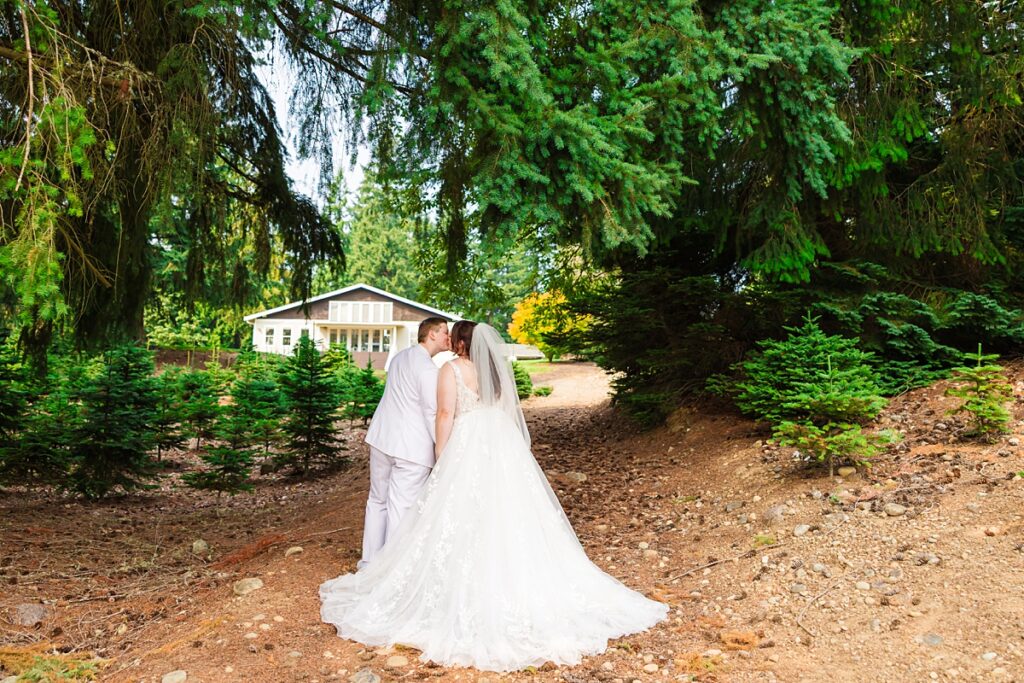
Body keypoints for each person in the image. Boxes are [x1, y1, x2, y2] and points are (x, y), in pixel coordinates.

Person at [320, 320, 666, 672]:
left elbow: (444, 414)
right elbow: (505, 413)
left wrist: (442, 456)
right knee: (507, 512)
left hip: (467, 444)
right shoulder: (498, 376)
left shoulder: (451, 370)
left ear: (458, 344)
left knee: (461, 512)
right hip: (501, 447)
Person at [358, 316, 451, 569]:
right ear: (431, 334)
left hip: (382, 438)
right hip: (411, 447)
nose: (448, 337)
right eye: (444, 332)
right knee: (401, 506)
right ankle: (391, 568)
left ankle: (369, 561)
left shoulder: (399, 357)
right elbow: (431, 412)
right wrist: (443, 448)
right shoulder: (429, 370)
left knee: (377, 500)